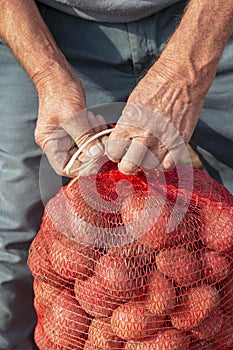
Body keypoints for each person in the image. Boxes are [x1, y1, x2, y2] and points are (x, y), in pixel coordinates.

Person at [0, 0, 232, 349]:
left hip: (209, 17)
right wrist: (48, 76)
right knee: (14, 235)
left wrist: (186, 72)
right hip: (46, 25)